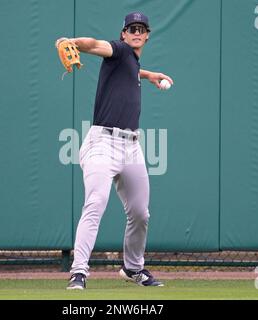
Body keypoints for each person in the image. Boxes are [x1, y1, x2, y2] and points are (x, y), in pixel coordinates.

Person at [56, 12, 173, 290]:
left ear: (147, 35)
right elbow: (94, 45)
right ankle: (78, 271)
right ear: (123, 33)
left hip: (131, 147)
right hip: (102, 144)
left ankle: (133, 267)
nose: (136, 32)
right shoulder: (119, 50)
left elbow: (132, 71)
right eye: (131, 28)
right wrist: (72, 41)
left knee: (140, 212)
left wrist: (149, 74)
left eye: (141, 29)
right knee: (95, 203)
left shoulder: (131, 62)